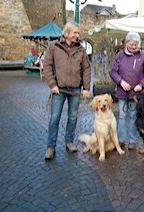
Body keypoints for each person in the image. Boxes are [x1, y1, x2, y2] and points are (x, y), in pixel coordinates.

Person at [43, 21, 91, 160]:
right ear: (67, 33)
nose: (78, 35)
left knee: (73, 117)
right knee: (54, 118)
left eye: (78, 32)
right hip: (59, 89)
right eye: (75, 32)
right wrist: (52, 85)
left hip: (75, 88)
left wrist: (86, 88)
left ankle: (69, 142)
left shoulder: (81, 50)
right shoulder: (53, 46)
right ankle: (50, 147)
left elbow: (86, 69)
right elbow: (47, 66)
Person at [109, 31, 144, 150]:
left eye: (136, 44)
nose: (134, 47)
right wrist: (121, 82)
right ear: (127, 43)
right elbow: (112, 72)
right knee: (122, 116)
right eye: (132, 44)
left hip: (136, 94)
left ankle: (133, 140)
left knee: (134, 116)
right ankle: (121, 139)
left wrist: (141, 85)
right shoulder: (120, 56)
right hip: (122, 93)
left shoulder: (143, 56)